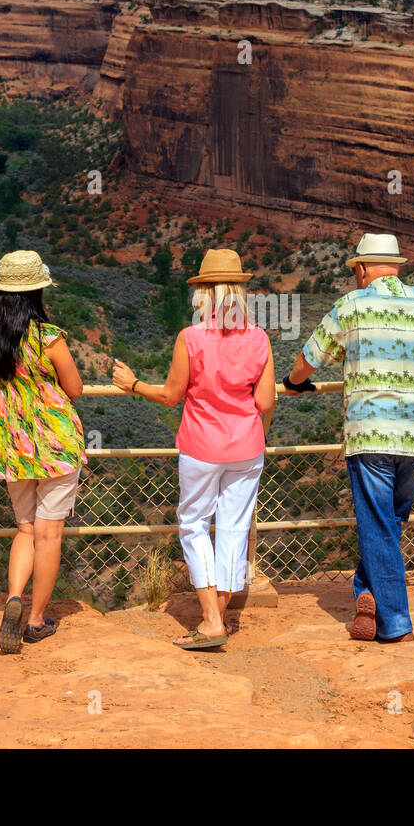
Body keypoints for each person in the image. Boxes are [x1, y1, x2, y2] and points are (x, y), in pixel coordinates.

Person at [284, 233, 414, 643]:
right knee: (390, 521)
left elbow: (310, 357)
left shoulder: (352, 306)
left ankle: (396, 623)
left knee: (378, 525)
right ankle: (366, 591)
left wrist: (293, 383)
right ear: (397, 266)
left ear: (361, 270)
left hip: (371, 436)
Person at [112, 249, 274, 650]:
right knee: (234, 526)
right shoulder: (259, 338)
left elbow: (170, 396)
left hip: (201, 446)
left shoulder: (191, 337)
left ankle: (211, 620)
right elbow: (266, 402)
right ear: (239, 291)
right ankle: (218, 615)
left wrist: (133, 384)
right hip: (246, 447)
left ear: (203, 293)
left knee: (194, 524)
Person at [0, 250, 85, 654]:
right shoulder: (49, 337)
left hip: (12, 442)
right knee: (50, 534)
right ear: (37, 293)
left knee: (26, 530)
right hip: (56, 443)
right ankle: (34, 620)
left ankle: (14, 597)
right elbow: (75, 389)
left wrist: (4, 388)